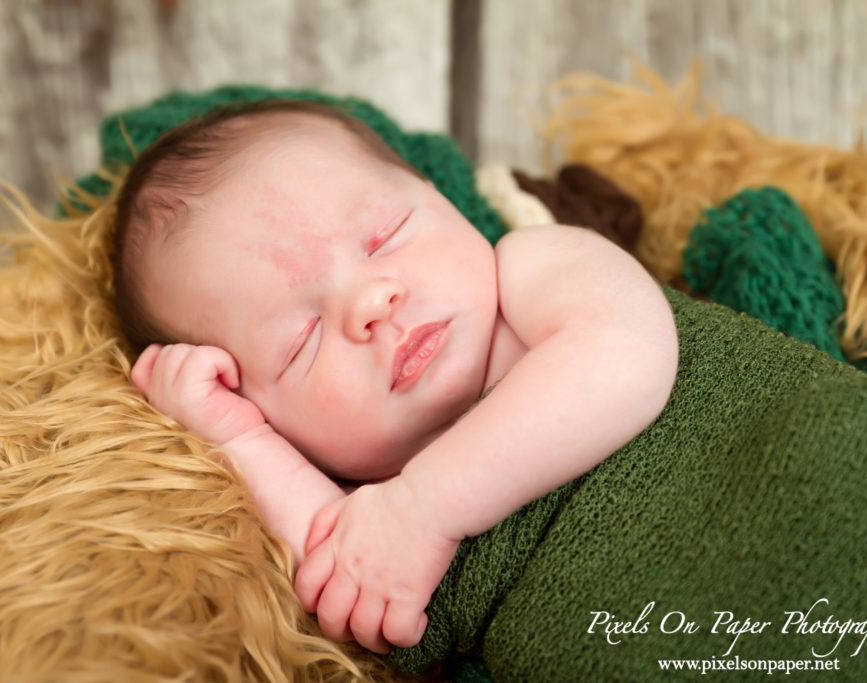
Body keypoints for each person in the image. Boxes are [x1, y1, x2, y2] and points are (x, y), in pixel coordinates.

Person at [112, 99, 679, 655]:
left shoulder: (536, 271)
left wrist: (425, 506)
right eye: (301, 340)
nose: (372, 302)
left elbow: (627, 353)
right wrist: (240, 440)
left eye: (385, 235)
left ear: (439, 197)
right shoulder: (381, 517)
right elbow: (350, 588)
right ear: (280, 425)